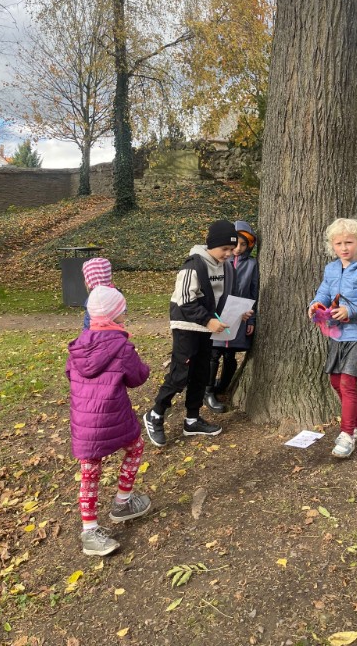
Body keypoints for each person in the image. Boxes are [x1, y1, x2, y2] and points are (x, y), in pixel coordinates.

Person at [142, 219, 243, 448]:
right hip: (187, 326)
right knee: (180, 373)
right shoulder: (193, 264)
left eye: (231, 249)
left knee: (200, 373)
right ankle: (156, 414)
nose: (229, 253)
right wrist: (208, 320)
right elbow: (185, 300)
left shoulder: (224, 266)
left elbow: (218, 298)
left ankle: (192, 418)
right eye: (224, 249)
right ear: (212, 245)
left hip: (207, 327)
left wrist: (236, 314)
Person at [66, 285, 151, 556]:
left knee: (90, 471)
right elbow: (137, 378)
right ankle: (122, 501)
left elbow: (70, 374)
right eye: (123, 310)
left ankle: (90, 530)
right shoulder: (122, 347)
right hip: (115, 416)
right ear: (115, 316)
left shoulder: (78, 346)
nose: (126, 313)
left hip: (84, 421)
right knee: (135, 448)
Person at [308, 218, 357, 459]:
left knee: (347, 384)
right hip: (337, 334)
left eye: (349, 242)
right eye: (339, 243)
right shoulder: (331, 269)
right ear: (332, 245)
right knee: (334, 381)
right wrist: (315, 304)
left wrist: (350, 310)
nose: (344, 247)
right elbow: (324, 291)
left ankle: (346, 435)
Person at [205, 221, 259, 413]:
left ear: (249, 246)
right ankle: (208, 390)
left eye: (243, 245)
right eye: (235, 244)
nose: (238, 249)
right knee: (214, 352)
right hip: (218, 314)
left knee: (230, 354)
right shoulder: (220, 261)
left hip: (240, 316)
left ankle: (223, 386)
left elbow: (254, 293)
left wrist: (251, 319)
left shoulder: (252, 264)